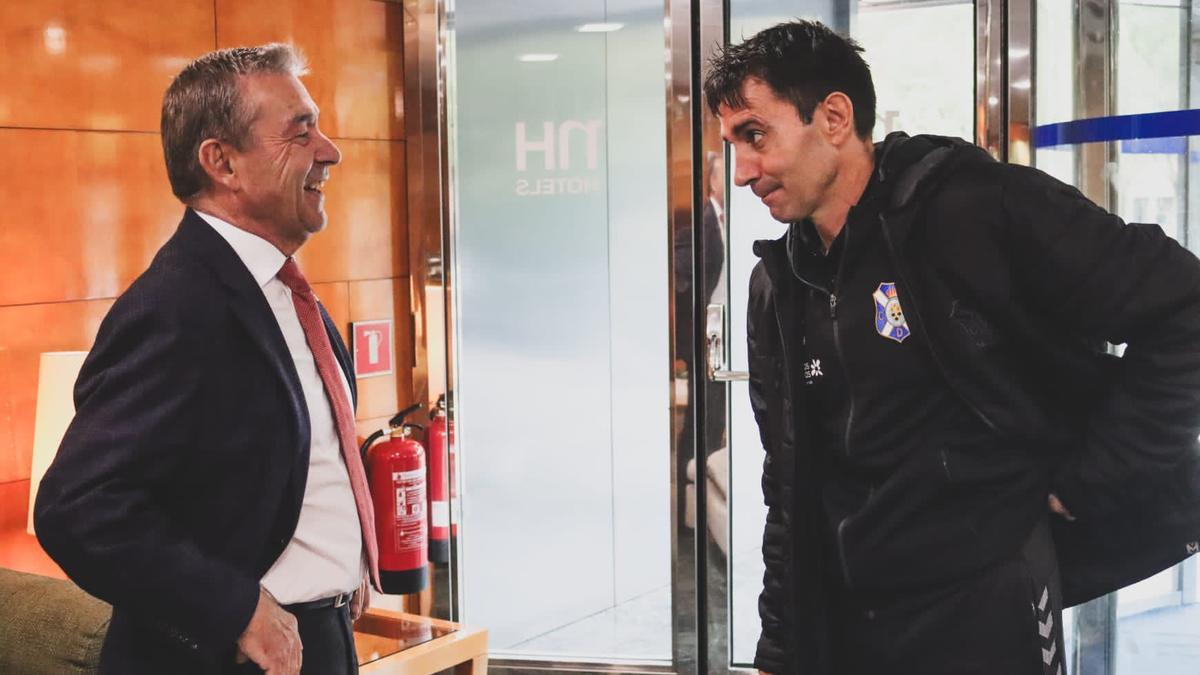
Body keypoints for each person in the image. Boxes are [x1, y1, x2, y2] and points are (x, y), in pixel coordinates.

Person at [703, 20, 1200, 675]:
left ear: (832, 117)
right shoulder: (777, 286)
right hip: (854, 619)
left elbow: (1184, 306)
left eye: (755, 136)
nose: (743, 172)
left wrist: (1093, 478)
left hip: (989, 603)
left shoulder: (976, 212)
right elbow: (788, 488)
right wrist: (779, 648)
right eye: (734, 144)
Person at [35, 44, 378, 675]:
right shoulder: (176, 304)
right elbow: (76, 509)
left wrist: (338, 559)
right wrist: (238, 608)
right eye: (300, 132)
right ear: (222, 162)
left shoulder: (280, 290)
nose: (330, 150)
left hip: (317, 636)